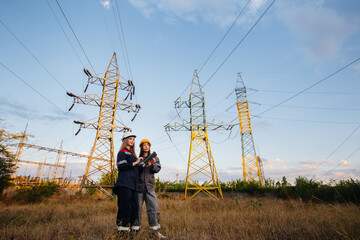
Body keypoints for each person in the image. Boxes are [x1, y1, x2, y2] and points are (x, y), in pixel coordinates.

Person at [133, 139, 166, 239]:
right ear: (141, 147)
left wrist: (153, 164)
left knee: (153, 209)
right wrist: (142, 165)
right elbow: (135, 171)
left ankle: (155, 232)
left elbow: (157, 169)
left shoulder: (155, 158)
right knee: (136, 210)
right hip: (138, 188)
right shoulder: (138, 158)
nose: (146, 147)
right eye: (144, 145)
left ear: (149, 146)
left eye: (147, 145)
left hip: (149, 188)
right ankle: (135, 231)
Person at [113, 132, 142, 237]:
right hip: (124, 185)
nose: (132, 141)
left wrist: (142, 164)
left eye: (133, 139)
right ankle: (122, 232)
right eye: (130, 139)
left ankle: (131, 232)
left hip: (133, 186)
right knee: (125, 208)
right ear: (125, 140)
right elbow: (121, 166)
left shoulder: (133, 155)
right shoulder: (122, 152)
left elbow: (135, 169)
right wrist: (135, 162)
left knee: (134, 208)